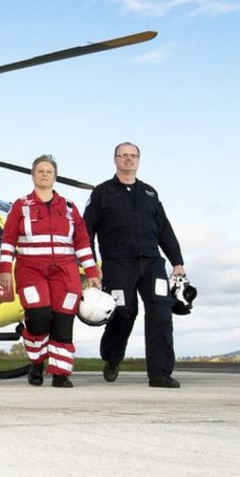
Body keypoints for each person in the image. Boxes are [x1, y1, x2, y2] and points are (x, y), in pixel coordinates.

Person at [84, 142, 185, 388]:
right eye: (124, 155)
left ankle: (160, 374)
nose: (128, 159)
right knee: (124, 313)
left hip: (152, 263)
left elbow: (164, 229)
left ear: (138, 160)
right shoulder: (101, 193)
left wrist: (178, 262)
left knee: (161, 313)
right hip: (118, 264)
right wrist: (90, 266)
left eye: (133, 156)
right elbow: (86, 231)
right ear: (115, 159)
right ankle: (112, 358)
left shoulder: (150, 193)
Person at [0, 155, 101, 388]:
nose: (44, 174)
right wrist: (5, 268)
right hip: (31, 269)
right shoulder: (21, 206)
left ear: (55, 176)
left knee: (64, 321)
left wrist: (92, 272)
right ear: (33, 175)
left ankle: (61, 373)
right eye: (40, 171)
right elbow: (8, 239)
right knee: (40, 316)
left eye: (49, 171)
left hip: (65, 271)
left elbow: (82, 241)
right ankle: (37, 361)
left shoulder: (68, 207)